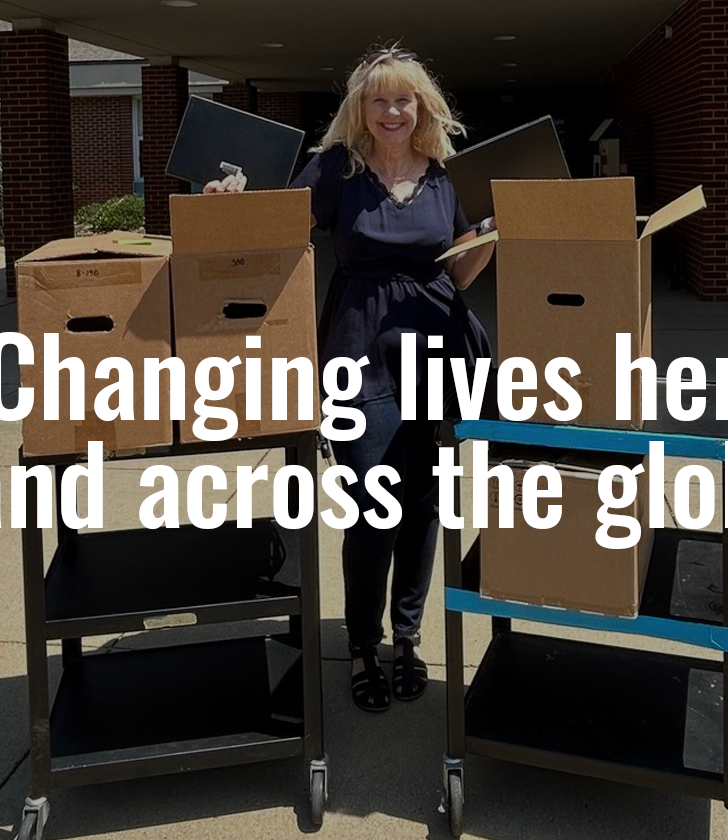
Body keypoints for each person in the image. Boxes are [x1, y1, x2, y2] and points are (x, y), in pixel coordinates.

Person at [205, 45, 496, 713]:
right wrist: (232, 199)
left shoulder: (445, 175)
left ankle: (407, 635)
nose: (393, 111)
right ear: (360, 110)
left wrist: (487, 240)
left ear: (419, 107)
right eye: (379, 99)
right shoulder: (338, 168)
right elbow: (277, 225)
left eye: (404, 99)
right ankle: (363, 643)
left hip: (437, 346)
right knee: (373, 506)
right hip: (360, 349)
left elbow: (454, 273)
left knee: (422, 501)